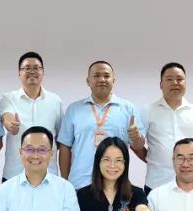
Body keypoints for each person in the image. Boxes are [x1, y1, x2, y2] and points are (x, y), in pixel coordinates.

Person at [57, 61, 142, 189]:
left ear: (114, 80)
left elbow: (139, 145)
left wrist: (137, 137)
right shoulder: (74, 109)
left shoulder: (128, 108)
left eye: (106, 76)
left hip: (115, 185)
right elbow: (65, 147)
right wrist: (65, 183)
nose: (102, 79)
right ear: (88, 81)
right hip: (80, 183)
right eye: (96, 75)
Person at [134, 62, 193, 194]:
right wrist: (150, 158)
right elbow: (136, 144)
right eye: (169, 79)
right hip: (156, 182)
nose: (175, 83)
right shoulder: (148, 110)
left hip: (189, 182)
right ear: (161, 85)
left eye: (179, 79)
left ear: (185, 83)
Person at [0, 52, 63, 182]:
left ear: (43, 72)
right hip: (15, 174)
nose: (32, 71)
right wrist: (11, 125)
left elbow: (60, 138)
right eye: (27, 68)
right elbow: (7, 116)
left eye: (36, 68)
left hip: (48, 175)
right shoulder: (8, 98)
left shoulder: (55, 101)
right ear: (19, 73)